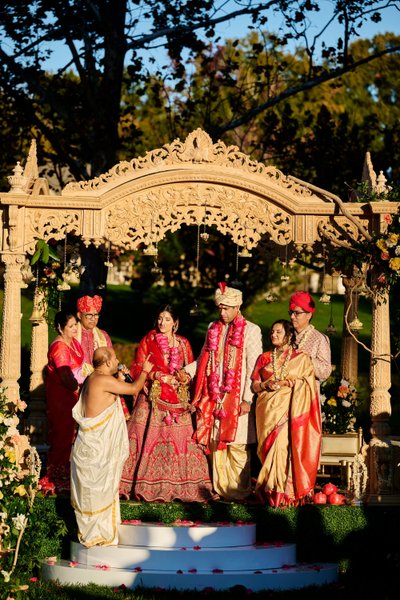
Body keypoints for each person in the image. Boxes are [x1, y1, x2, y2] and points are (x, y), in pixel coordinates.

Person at [119, 305, 214, 502]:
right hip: (153, 396)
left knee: (182, 442)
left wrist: (183, 378)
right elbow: (138, 368)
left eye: (167, 319)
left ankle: (184, 486)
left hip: (178, 399)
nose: (162, 323)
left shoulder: (183, 343)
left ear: (175, 323)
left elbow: (190, 370)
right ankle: (141, 483)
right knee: (144, 438)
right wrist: (159, 376)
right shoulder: (149, 339)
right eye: (160, 318)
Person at [183, 283, 263, 501]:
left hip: (237, 397)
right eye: (220, 308)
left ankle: (239, 493)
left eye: (227, 308)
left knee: (237, 446)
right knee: (216, 446)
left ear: (238, 307)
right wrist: (186, 373)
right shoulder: (213, 327)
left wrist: (248, 398)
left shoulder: (251, 330)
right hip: (214, 396)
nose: (222, 312)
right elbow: (202, 359)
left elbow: (254, 366)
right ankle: (220, 491)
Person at [71, 347, 152, 547]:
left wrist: (119, 379)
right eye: (114, 358)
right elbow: (134, 389)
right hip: (97, 446)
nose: (117, 360)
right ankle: (97, 535)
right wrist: (145, 371)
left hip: (89, 444)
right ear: (107, 362)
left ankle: (95, 533)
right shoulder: (103, 380)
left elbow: (108, 396)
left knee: (95, 490)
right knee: (98, 489)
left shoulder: (93, 378)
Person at [251, 319, 321, 507]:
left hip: (288, 410)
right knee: (266, 450)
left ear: (289, 336)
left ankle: (282, 493)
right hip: (266, 412)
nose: (273, 335)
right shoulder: (264, 357)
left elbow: (308, 384)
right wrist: (265, 385)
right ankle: (269, 490)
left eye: (278, 332)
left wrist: (287, 383)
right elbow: (255, 384)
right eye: (272, 332)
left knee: (282, 448)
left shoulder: (301, 358)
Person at [39, 310, 84, 494]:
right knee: (63, 432)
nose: (75, 329)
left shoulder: (72, 342)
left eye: (75, 325)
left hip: (73, 392)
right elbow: (66, 376)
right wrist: (82, 389)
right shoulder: (59, 347)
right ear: (59, 327)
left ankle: (66, 472)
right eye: (71, 326)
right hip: (62, 395)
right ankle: (55, 477)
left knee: (71, 433)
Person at [288, 291, 332, 384]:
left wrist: (308, 359)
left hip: (308, 393)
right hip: (284, 393)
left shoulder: (319, 338)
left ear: (309, 315)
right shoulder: (286, 334)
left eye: (297, 313)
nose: (292, 317)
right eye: (291, 312)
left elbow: (325, 371)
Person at [76, 295, 112, 379]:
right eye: (89, 315)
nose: (93, 319)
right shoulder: (72, 334)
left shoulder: (104, 336)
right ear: (79, 315)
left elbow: (111, 361)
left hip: (100, 381)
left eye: (96, 315)